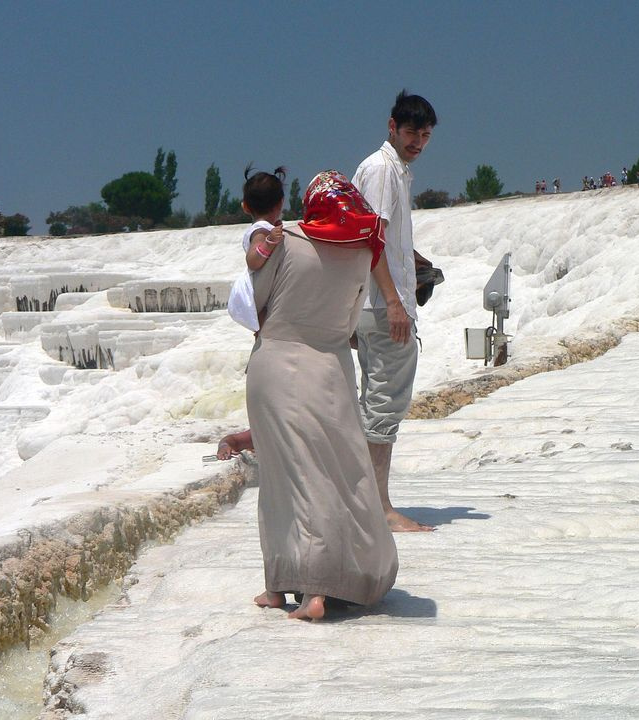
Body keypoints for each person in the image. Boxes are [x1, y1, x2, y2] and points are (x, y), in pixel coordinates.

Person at [247, 170, 397, 620]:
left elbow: (255, 302)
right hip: (330, 369)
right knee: (332, 474)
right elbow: (351, 323)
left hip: (276, 365)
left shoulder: (285, 239)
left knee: (281, 478)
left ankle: (290, 588)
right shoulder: (360, 253)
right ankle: (323, 581)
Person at [352, 90, 437, 533]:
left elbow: (383, 239)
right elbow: (371, 241)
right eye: (410, 132)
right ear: (391, 127)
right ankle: (377, 509)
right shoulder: (384, 170)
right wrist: (394, 302)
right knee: (384, 406)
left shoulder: (389, 169)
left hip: (373, 305)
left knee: (373, 404)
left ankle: (366, 503)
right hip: (384, 309)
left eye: (424, 135)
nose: (418, 142)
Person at [227, 167, 286, 332]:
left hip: (264, 284)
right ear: (281, 202)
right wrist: (269, 242)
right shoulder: (260, 230)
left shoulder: (267, 228)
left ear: (245, 206)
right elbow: (253, 261)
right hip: (256, 286)